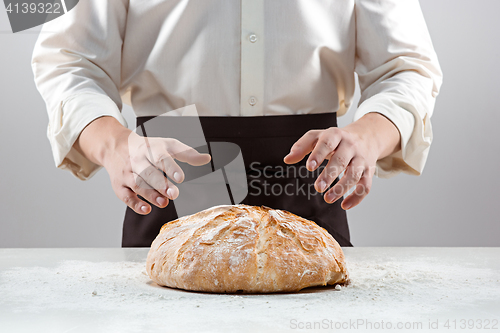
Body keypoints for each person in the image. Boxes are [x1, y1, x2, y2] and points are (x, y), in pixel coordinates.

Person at [32, 0, 442, 247]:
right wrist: (116, 146)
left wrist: (367, 138)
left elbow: (406, 68)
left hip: (309, 170)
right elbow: (65, 59)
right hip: (171, 172)